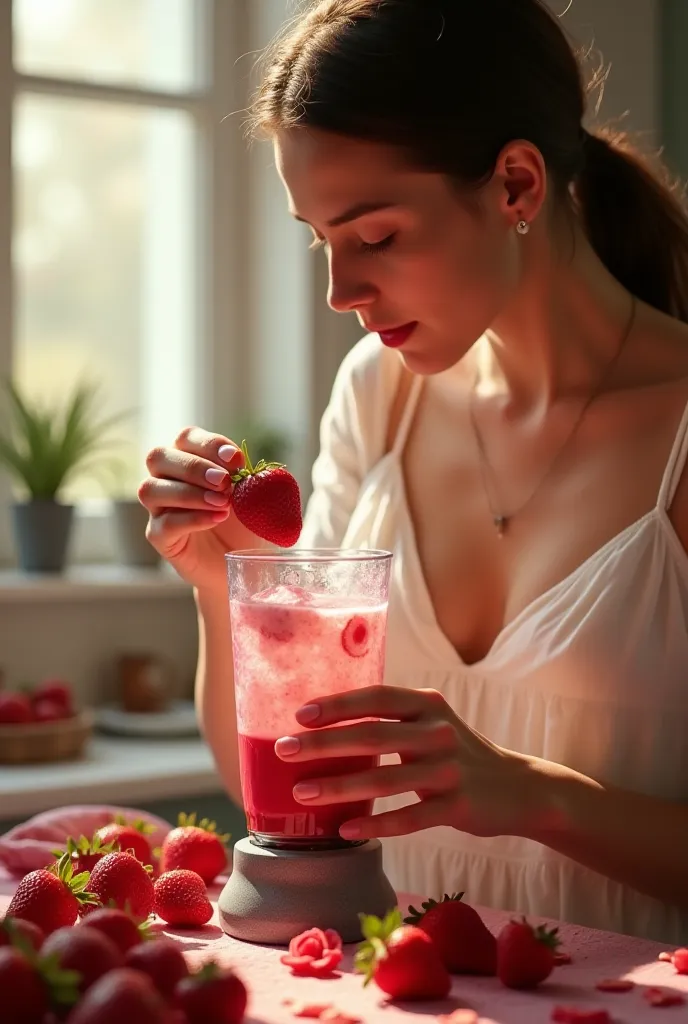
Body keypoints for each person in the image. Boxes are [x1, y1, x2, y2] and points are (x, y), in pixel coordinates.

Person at [139, 0, 688, 944]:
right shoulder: (378, 396)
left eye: (377, 236)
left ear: (516, 184)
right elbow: (292, 801)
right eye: (322, 240)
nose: (339, 293)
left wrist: (532, 795)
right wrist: (223, 586)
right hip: (391, 991)